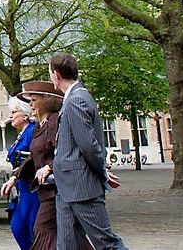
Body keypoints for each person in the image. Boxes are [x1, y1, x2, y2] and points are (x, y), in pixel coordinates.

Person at [49, 54, 128, 250]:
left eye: (50, 73)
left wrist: (102, 171)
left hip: (82, 187)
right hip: (67, 187)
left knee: (107, 244)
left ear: (56, 75)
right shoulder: (75, 98)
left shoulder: (77, 100)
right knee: (67, 246)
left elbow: (88, 145)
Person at [3, 81, 62, 249]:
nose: (30, 105)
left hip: (48, 189)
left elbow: (64, 152)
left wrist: (48, 167)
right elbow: (33, 157)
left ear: (47, 101)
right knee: (34, 230)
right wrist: (14, 178)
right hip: (36, 188)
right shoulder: (38, 127)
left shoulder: (54, 122)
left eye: (34, 100)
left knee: (40, 231)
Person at [0, 96, 39, 250]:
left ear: (25, 114)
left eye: (14, 112)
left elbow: (34, 157)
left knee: (28, 227)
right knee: (18, 226)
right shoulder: (23, 133)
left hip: (31, 188)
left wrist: (14, 178)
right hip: (23, 188)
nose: (10, 116)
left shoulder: (31, 131)